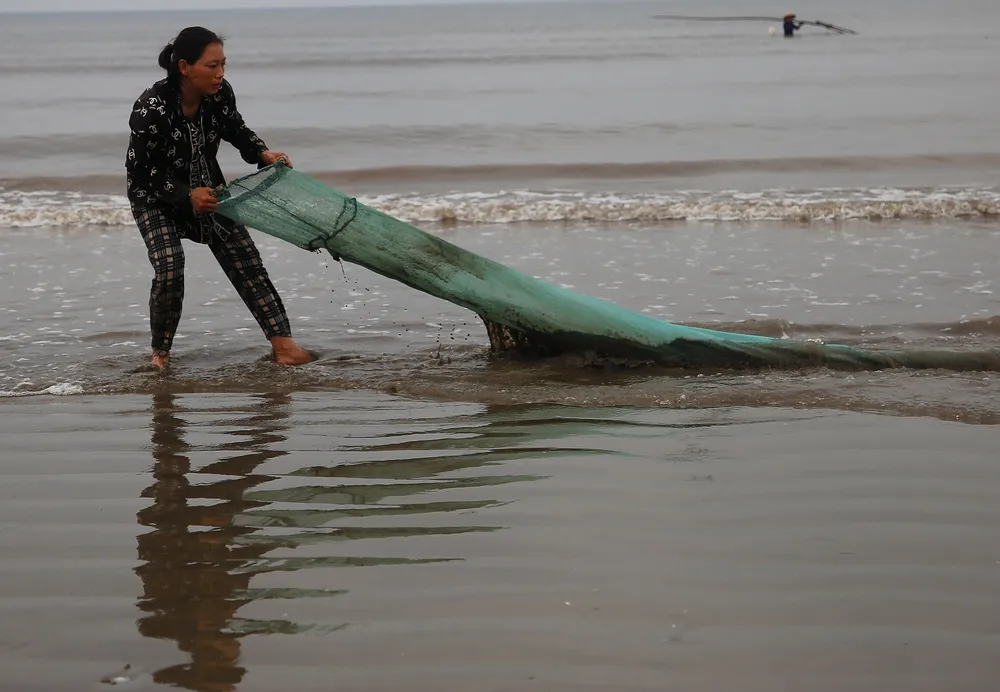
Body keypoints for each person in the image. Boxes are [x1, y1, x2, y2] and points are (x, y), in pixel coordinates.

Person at [126, 26, 313, 369]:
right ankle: (160, 357)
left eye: (223, 65)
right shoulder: (150, 107)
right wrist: (185, 195)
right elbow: (141, 172)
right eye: (212, 66)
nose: (220, 74)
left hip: (210, 192)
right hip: (155, 199)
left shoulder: (220, 94)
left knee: (247, 263)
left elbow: (235, 129)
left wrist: (262, 152)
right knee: (170, 267)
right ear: (185, 67)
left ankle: (285, 347)